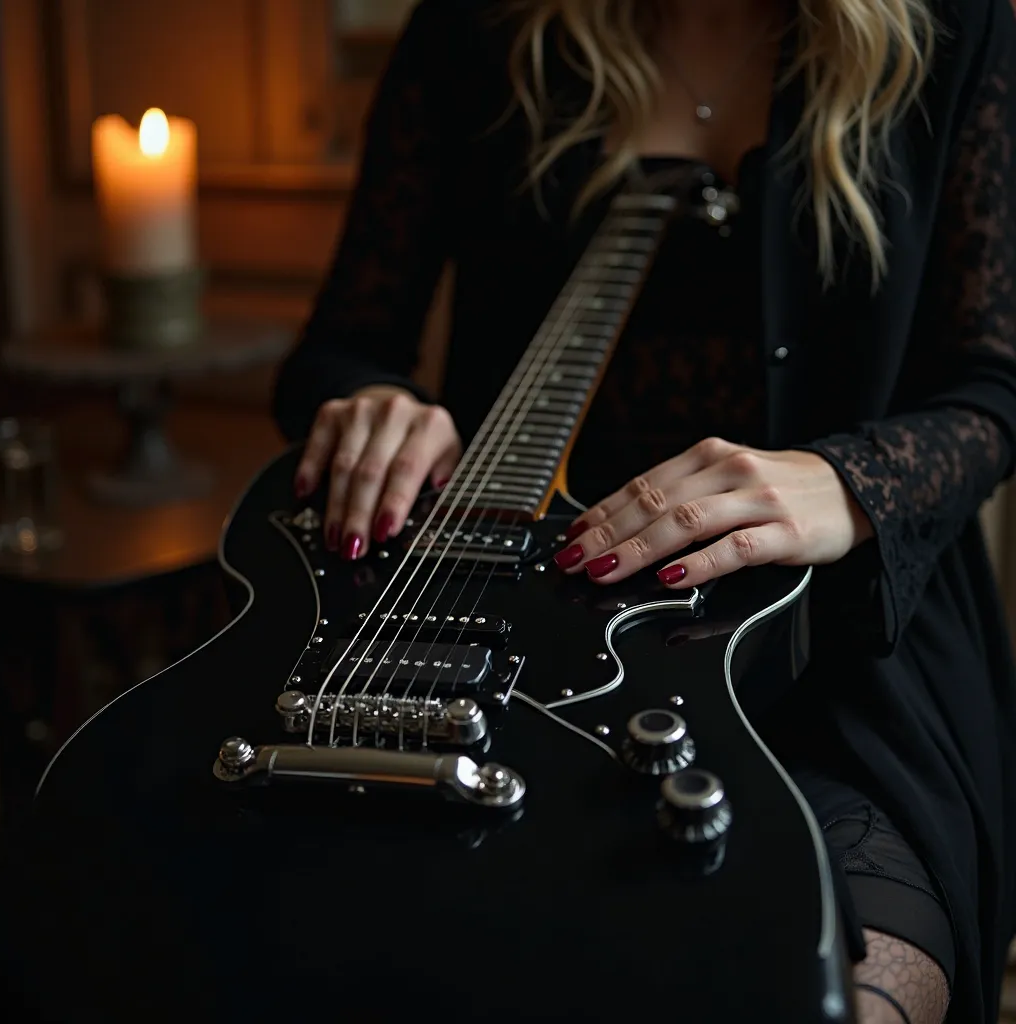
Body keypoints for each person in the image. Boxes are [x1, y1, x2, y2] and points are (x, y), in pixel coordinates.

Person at [272, 0, 1016, 1020]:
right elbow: (339, 348)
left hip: (845, 616)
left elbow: (994, 384)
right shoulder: (471, 27)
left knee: (845, 991)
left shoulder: (956, 27)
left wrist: (850, 479)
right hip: (500, 600)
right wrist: (376, 410)